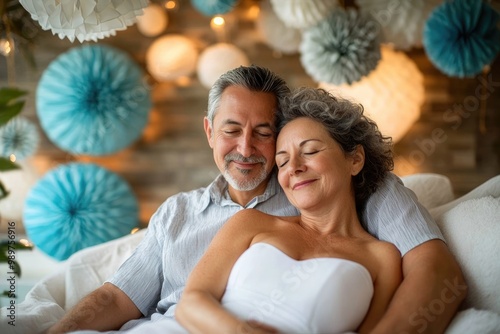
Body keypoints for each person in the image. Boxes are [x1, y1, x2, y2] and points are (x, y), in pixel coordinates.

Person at [47, 65, 465, 334]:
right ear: (209, 131)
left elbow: (436, 272)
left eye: (264, 133)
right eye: (231, 129)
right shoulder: (178, 213)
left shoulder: (353, 190)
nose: (246, 148)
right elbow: (117, 298)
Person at [126, 86, 403, 334]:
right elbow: (191, 303)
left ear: (355, 160)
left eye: (310, 151)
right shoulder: (252, 222)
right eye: (282, 162)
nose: (294, 168)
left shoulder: (383, 258)